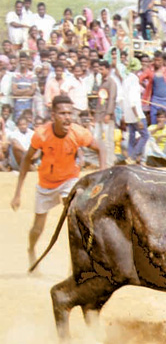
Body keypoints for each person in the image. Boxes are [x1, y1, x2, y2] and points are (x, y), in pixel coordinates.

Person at [10, 96, 106, 267]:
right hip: (45, 184)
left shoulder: (78, 132)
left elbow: (101, 148)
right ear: (53, 115)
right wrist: (17, 193)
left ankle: (74, 265)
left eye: (70, 113)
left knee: (75, 216)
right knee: (37, 229)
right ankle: (31, 249)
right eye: (62, 113)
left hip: (69, 181)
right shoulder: (41, 134)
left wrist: (103, 175)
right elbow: (26, 159)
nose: (67, 117)